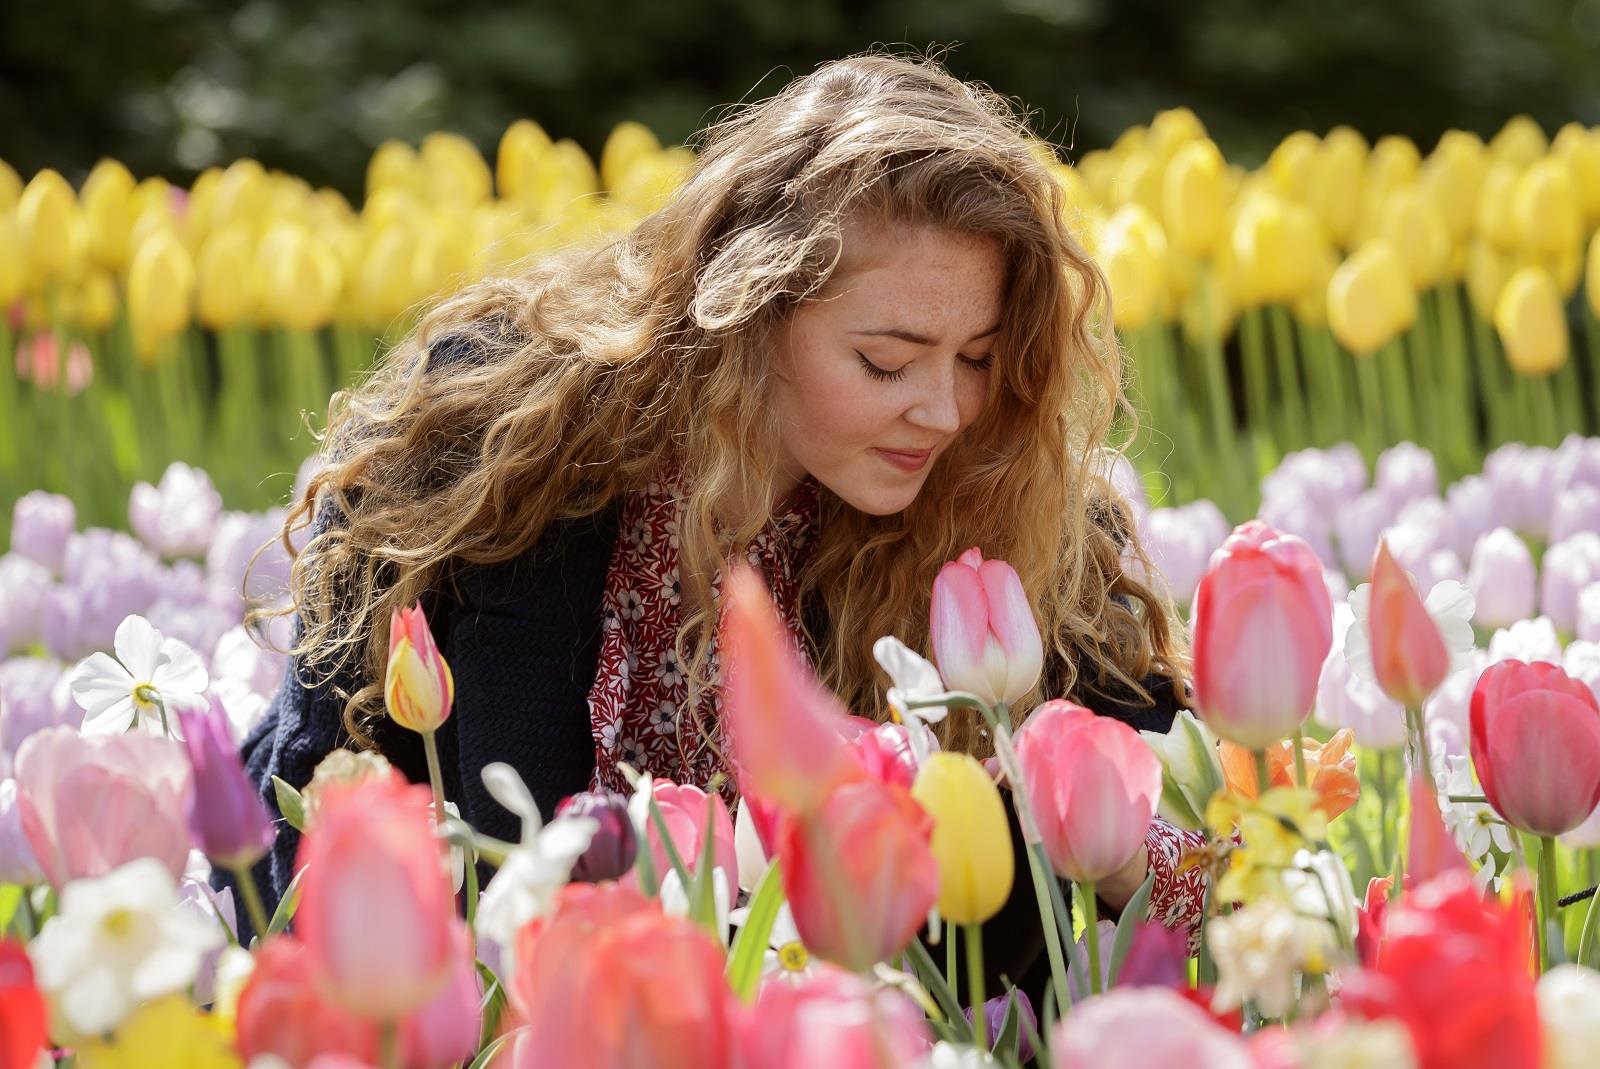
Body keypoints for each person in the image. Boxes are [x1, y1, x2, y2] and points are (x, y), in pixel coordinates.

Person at [222, 50, 1208, 993]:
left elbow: (1195, 838)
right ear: (755, 310)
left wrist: (1112, 840)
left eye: (979, 357)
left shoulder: (991, 489)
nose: (946, 410)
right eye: (887, 360)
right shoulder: (511, 441)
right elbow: (474, 856)